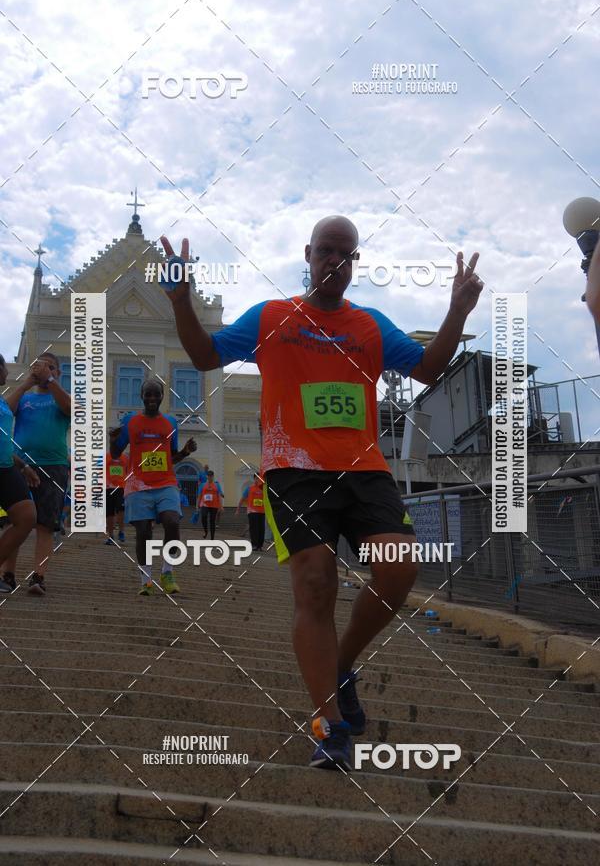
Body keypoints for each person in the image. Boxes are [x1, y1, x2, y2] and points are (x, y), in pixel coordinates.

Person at [160, 217, 483, 770]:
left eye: (346, 253)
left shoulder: (370, 324)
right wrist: (181, 300)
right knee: (315, 585)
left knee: (399, 568)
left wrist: (456, 311)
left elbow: (429, 369)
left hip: (365, 469)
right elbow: (205, 356)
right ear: (308, 255)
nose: (335, 261)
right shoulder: (272, 316)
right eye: (326, 251)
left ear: (355, 261)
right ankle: (329, 725)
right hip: (294, 469)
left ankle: (342, 662)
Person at [109, 379, 197, 595]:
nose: (151, 398)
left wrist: (185, 452)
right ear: (141, 396)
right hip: (138, 484)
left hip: (165, 482)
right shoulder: (130, 421)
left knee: (172, 521)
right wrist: (113, 440)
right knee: (143, 531)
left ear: (162, 396)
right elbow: (115, 454)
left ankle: (167, 572)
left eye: (155, 394)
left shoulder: (170, 423)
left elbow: (170, 458)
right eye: (147, 394)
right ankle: (146, 579)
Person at [3, 353, 70, 595]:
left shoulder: (61, 397)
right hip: (19, 466)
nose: (44, 370)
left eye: (50, 367)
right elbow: (4, 412)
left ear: (58, 373)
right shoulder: (26, 397)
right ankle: (8, 575)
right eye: (40, 367)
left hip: (54, 467)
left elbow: (71, 409)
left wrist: (50, 381)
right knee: (16, 521)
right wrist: (26, 383)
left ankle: (38, 577)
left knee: (45, 525)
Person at [0, 353, 39, 594]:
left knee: (26, 516)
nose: (7, 371)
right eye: (4, 365)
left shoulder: (2, 403)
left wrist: (23, 466)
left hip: (6, 468)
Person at [236, 473, 265, 551]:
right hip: (252, 511)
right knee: (254, 528)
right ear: (254, 479)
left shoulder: (263, 489)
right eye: (256, 478)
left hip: (262, 512)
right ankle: (254, 545)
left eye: (259, 478)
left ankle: (260, 545)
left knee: (261, 529)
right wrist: (238, 509)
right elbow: (242, 499)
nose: (258, 480)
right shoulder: (249, 488)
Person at [105, 449, 128, 545]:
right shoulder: (106, 457)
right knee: (109, 513)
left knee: (121, 508)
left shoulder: (125, 457)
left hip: (121, 487)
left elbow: (128, 471)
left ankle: (121, 531)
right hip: (108, 487)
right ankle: (111, 536)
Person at [197, 470, 224, 540]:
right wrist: (197, 505)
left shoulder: (216, 485)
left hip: (214, 505)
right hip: (204, 504)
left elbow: (219, 495)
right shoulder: (203, 485)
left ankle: (212, 538)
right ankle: (206, 531)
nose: (210, 477)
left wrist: (221, 506)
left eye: (211, 476)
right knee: (203, 517)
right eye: (208, 476)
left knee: (212, 521)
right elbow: (199, 495)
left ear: (213, 476)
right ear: (207, 476)